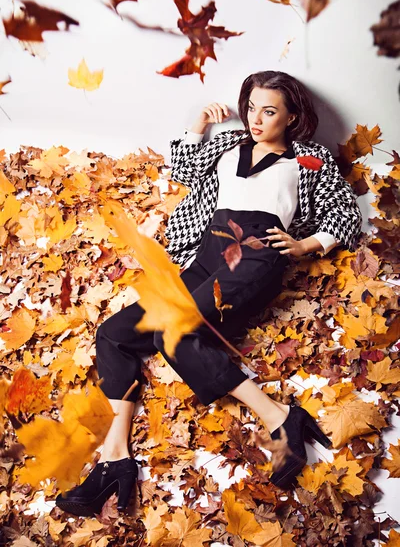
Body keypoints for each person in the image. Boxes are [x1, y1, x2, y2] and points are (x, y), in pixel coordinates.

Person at [56, 71, 362, 516]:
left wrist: (306, 244)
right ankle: (116, 456)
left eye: (270, 111)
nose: (257, 119)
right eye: (252, 107)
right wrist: (197, 123)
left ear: (292, 116)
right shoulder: (227, 144)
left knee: (173, 335)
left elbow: (343, 213)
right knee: (114, 334)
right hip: (207, 254)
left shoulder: (308, 159)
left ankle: (279, 416)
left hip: (256, 253)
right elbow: (181, 169)